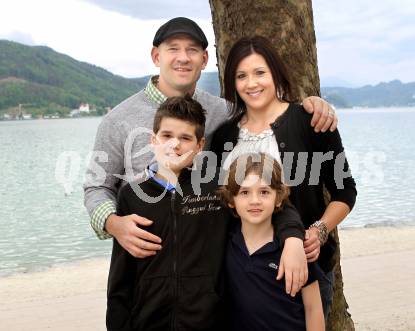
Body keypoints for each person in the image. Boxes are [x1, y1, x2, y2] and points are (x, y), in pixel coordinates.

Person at [84, 17, 337, 294]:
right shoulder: (118, 120)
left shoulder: (224, 112)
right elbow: (98, 186)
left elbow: (265, 120)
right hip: (147, 270)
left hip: (209, 271)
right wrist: (114, 224)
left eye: (192, 50)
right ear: (156, 56)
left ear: (204, 60)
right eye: (173, 49)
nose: (183, 58)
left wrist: (312, 106)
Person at [106, 96, 306, 330]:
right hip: (148, 321)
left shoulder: (216, 186)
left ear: (200, 145)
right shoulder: (132, 195)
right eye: (167, 136)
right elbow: (121, 277)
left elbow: (275, 205)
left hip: (208, 321)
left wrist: (293, 240)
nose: (174, 145)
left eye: (185, 138)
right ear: (153, 140)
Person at [210, 35, 357, 319]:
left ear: (275, 74)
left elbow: (345, 192)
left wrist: (319, 230)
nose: (251, 83)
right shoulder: (224, 136)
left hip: (305, 266)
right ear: (232, 83)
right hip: (243, 269)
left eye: (260, 72)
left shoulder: (311, 122)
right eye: (241, 76)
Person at [218, 153, 325, 331]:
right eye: (244, 192)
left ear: (279, 198)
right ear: (231, 200)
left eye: (264, 192)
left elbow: (313, 309)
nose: (255, 201)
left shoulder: (297, 249)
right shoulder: (226, 242)